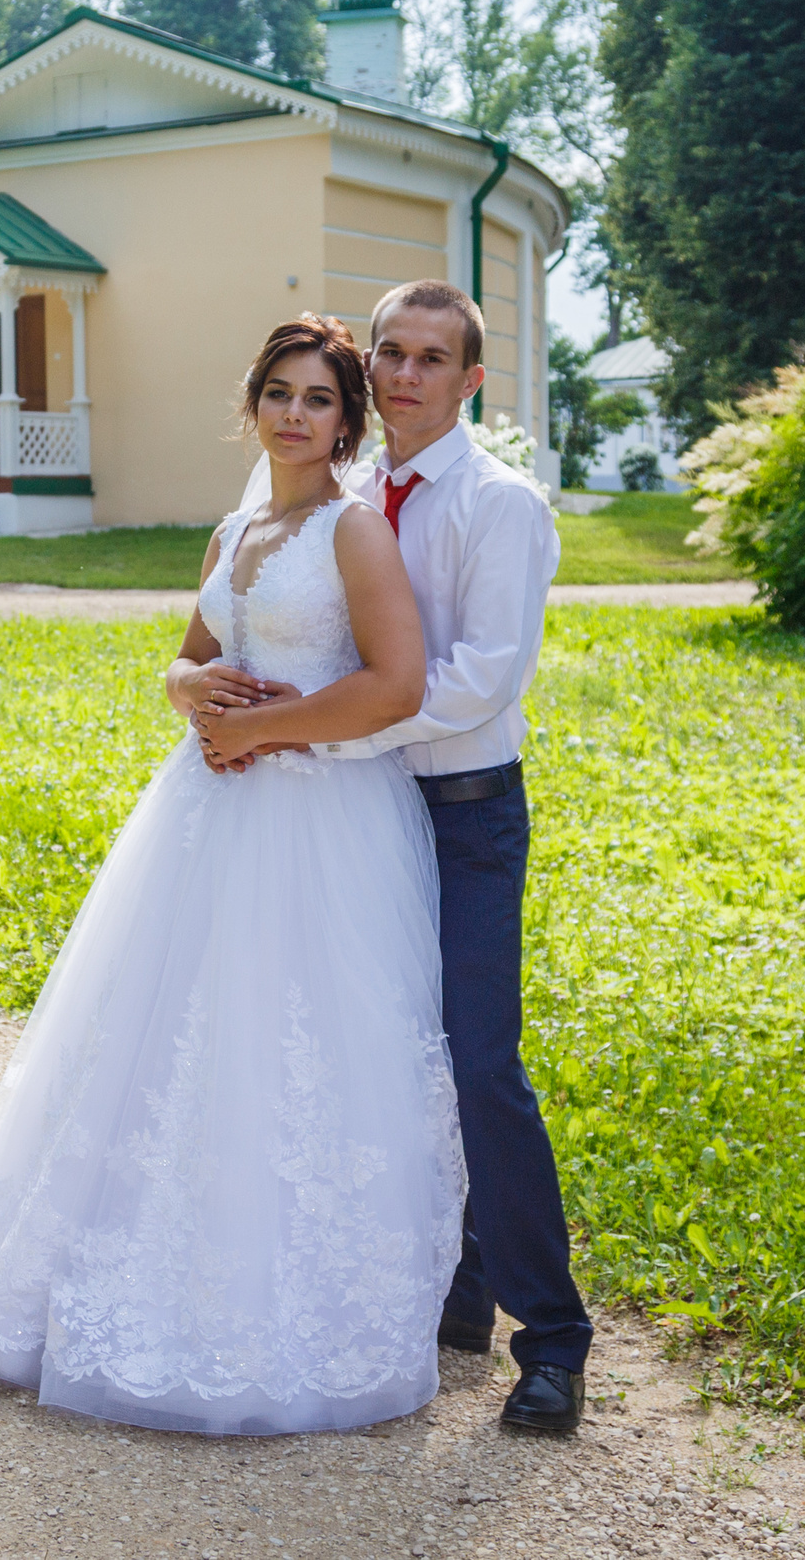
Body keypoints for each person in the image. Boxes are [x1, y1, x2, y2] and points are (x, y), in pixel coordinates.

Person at [0, 314, 466, 1435]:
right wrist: (183, 694)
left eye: (318, 399)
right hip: (203, 814)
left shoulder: (353, 534)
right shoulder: (233, 528)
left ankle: (280, 1315)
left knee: (285, 1041)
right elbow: (196, 655)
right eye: (278, 392)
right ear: (252, 402)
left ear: (345, 421)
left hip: (315, 823)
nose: (294, 414)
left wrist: (266, 733)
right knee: (161, 1035)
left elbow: (396, 686)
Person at [223, 279, 593, 1433]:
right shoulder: (333, 491)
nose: (404, 376)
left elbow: (482, 678)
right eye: (390, 353)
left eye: (433, 358)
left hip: (464, 808)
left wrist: (311, 724)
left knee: (481, 1064)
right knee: (382, 1051)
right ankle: (454, 1291)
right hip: (358, 813)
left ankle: (553, 1340)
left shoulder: (499, 504)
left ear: (471, 380)